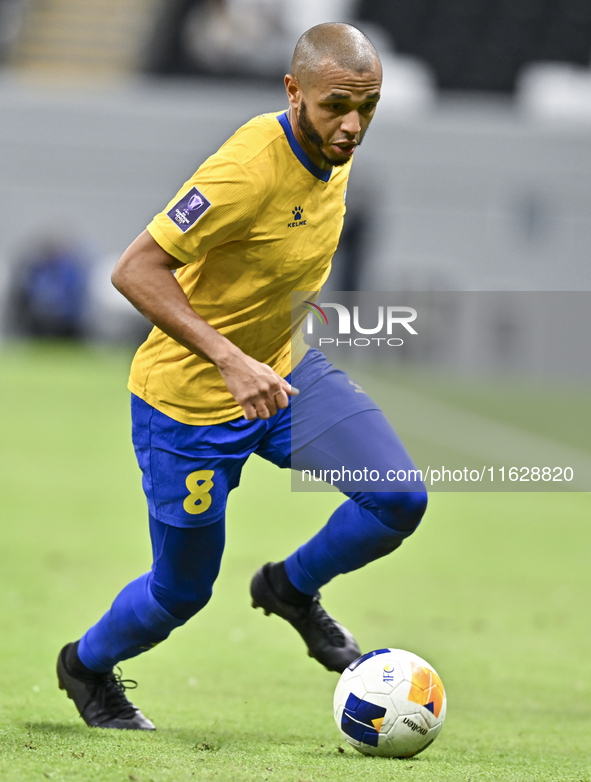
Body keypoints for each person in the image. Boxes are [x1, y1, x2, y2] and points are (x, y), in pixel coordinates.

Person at [56, 22, 427, 731]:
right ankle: (85, 665)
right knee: (181, 593)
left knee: (399, 497)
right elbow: (134, 271)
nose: (352, 127)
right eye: (336, 108)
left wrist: (262, 351)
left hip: (282, 377)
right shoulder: (246, 167)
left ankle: (290, 588)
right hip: (189, 404)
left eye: (368, 107)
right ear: (293, 93)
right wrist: (228, 357)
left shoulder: (334, 146)